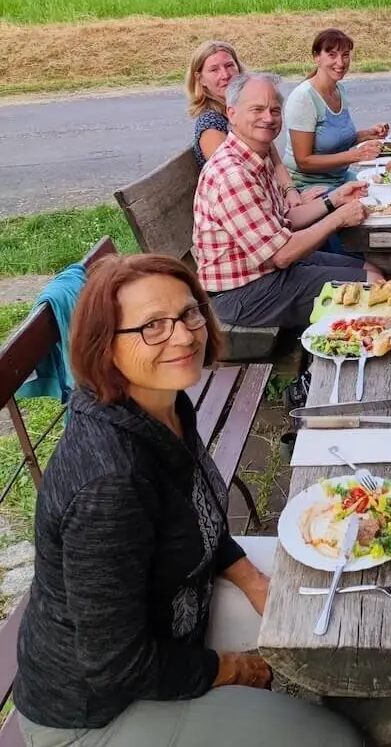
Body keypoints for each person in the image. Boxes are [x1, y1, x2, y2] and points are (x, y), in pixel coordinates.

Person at [14, 253, 365, 747]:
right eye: (152, 327)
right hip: (94, 712)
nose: (183, 336)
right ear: (104, 347)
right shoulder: (110, 486)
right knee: (337, 740)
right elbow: (114, 665)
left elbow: (199, 517)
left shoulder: (164, 403)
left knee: (329, 598)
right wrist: (233, 668)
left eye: (189, 313)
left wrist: (254, 581)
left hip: (172, 623)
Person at [193, 72, 384, 330]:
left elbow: (286, 221)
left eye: (274, 110)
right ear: (232, 113)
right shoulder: (233, 174)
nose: (268, 118)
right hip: (243, 294)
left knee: (368, 266)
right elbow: (281, 255)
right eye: (257, 109)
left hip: (264, 272)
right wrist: (337, 219)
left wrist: (334, 199)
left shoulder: (253, 158)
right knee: (372, 286)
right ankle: (335, 357)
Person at [185, 39, 322, 213]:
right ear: (200, 79)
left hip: (269, 196)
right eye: (214, 70)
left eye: (229, 66)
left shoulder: (249, 112)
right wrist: (287, 201)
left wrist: (291, 192)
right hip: (243, 207)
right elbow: (233, 177)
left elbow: (275, 162)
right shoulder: (211, 126)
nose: (225, 75)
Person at [282, 28, 389, 191]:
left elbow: (335, 140)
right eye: (332, 55)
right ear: (317, 57)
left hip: (340, 177)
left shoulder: (339, 89)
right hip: (308, 185)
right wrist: (355, 155)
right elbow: (303, 162)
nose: (340, 62)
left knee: (387, 188)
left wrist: (368, 134)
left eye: (345, 55)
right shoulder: (303, 98)